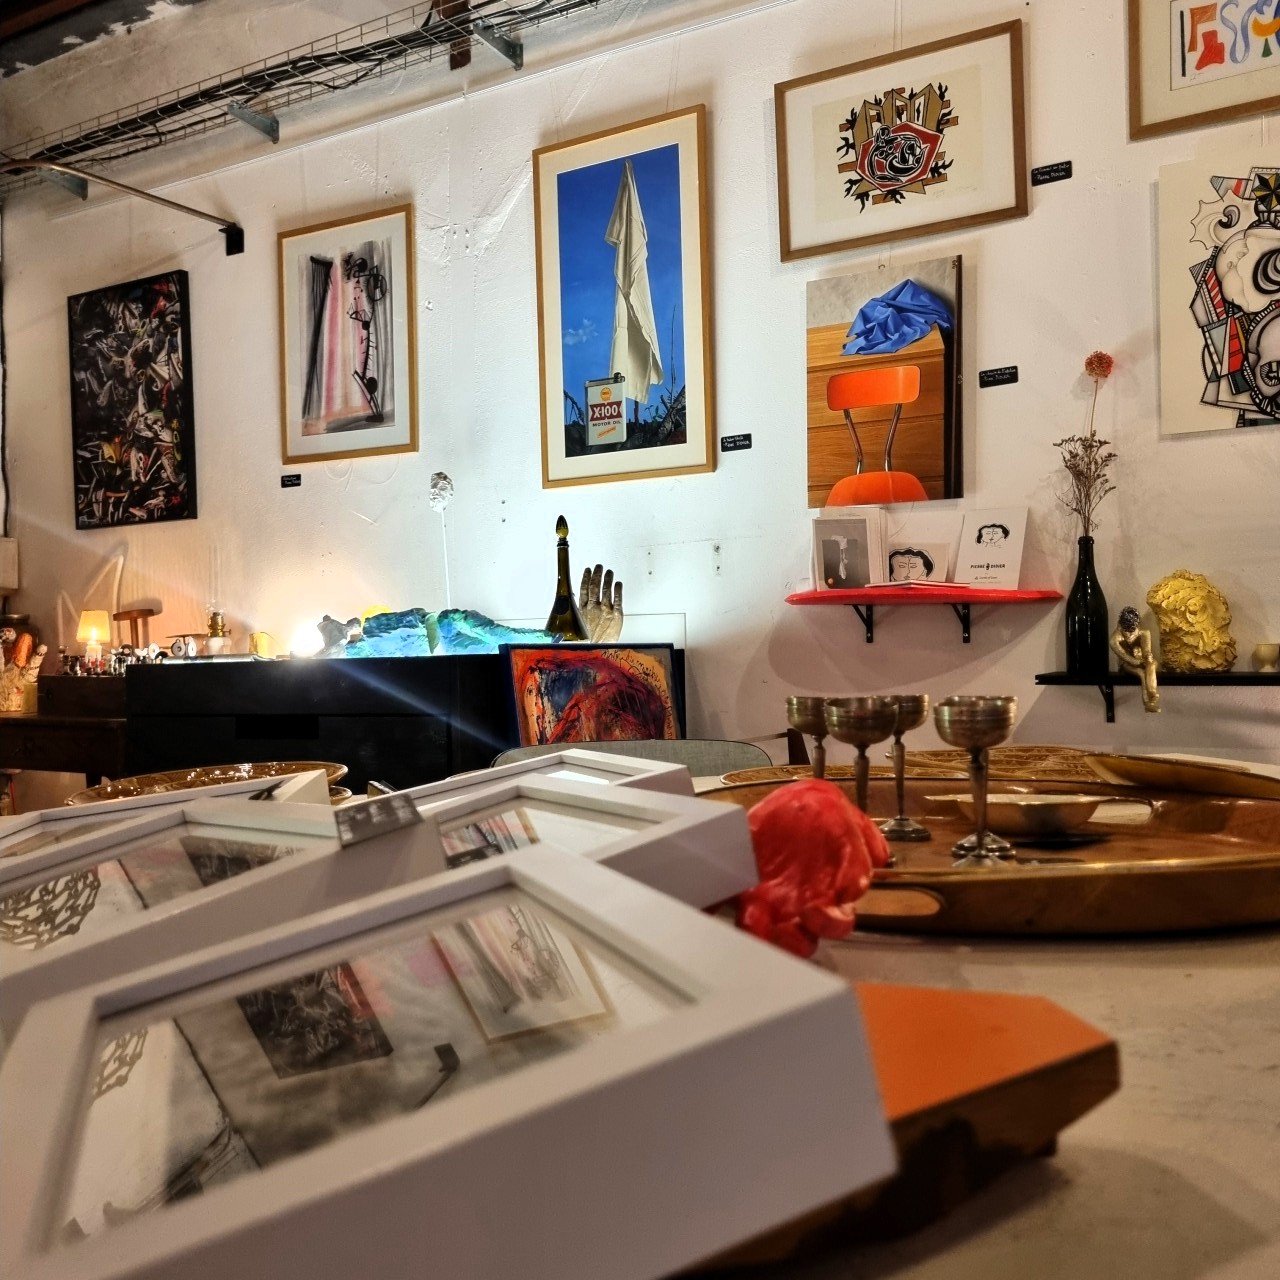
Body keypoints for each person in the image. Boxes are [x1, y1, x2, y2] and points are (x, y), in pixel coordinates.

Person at [1109, 605, 1160, 712]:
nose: (1130, 634)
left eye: (1133, 630)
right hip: (1127, 664)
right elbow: (1124, 656)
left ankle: (1153, 697)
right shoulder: (1114, 639)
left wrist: (1148, 656)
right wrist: (1137, 661)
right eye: (1127, 631)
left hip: (1141, 660)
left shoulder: (1144, 633)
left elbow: (1146, 650)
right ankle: (1147, 702)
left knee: (1151, 665)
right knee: (1141, 673)